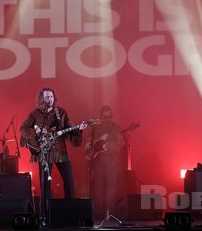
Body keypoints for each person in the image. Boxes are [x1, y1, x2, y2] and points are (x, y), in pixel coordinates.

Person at [20, 87, 87, 220]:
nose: (49, 99)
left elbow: (69, 129)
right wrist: (36, 132)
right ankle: (45, 215)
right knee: (45, 185)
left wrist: (79, 129)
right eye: (46, 97)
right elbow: (23, 128)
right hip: (44, 153)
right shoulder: (35, 114)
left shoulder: (61, 112)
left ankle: (70, 213)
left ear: (54, 98)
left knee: (68, 181)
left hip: (60, 152)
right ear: (41, 99)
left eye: (51, 97)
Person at [86, 105, 124, 218]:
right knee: (98, 186)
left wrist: (110, 146)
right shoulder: (96, 128)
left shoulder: (116, 128)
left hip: (112, 159)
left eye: (109, 116)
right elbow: (89, 141)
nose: (108, 119)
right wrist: (90, 149)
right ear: (101, 117)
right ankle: (99, 212)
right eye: (105, 117)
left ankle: (109, 211)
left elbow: (121, 144)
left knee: (111, 186)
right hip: (98, 160)